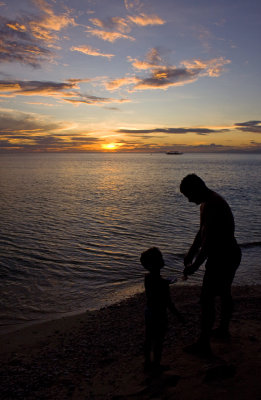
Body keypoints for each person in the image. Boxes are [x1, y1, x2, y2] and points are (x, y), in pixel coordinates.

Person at [180, 174, 241, 356]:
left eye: (189, 195)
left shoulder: (214, 204)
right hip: (224, 254)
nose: (190, 201)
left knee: (207, 299)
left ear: (197, 188)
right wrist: (190, 252)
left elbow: (209, 243)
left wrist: (195, 266)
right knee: (223, 293)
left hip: (225, 256)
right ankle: (223, 329)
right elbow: (201, 233)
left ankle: (204, 343)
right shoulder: (206, 203)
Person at [140, 247, 183, 372]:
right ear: (156, 264)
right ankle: (156, 364)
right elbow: (168, 303)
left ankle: (147, 362)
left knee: (148, 338)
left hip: (149, 311)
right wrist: (178, 316)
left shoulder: (147, 278)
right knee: (158, 340)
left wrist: (164, 282)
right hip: (159, 313)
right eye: (160, 259)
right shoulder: (162, 284)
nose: (162, 260)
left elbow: (156, 285)